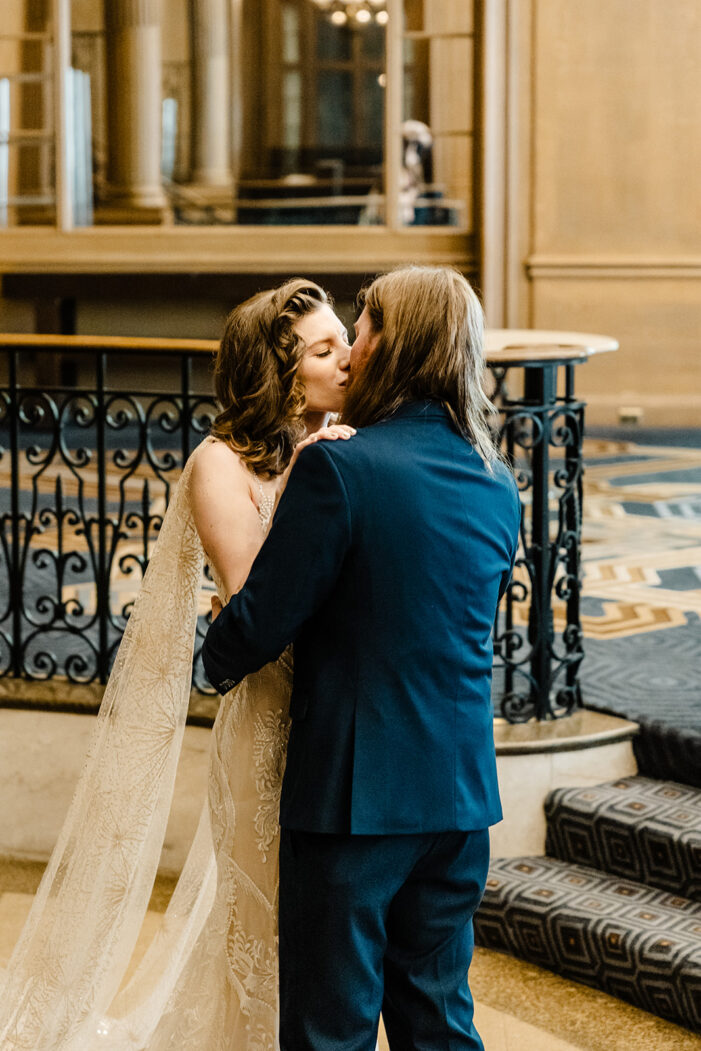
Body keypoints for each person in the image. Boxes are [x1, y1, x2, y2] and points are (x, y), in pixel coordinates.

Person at [0, 278, 352, 1050]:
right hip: (266, 723)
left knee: (325, 930)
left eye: (345, 341)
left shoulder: (353, 442)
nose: (347, 358)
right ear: (277, 371)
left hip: (340, 720)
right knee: (262, 919)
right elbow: (254, 600)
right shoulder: (221, 464)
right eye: (324, 349)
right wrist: (302, 481)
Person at [203, 265, 522, 1051]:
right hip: (458, 797)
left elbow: (259, 626)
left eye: (365, 326)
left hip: (353, 801)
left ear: (397, 342)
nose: (353, 347)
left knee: (328, 1029)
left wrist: (217, 639)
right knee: (439, 1019)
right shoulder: (495, 479)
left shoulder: (340, 469)